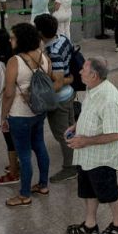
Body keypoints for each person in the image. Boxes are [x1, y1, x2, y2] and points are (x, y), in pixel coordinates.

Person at [66, 57, 118, 234]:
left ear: (94, 75)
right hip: (86, 157)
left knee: (109, 193)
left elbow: (116, 134)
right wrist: (76, 126)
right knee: (88, 191)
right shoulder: (92, 88)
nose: (79, 72)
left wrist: (85, 141)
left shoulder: (109, 98)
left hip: (102, 159)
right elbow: (88, 113)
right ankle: (90, 225)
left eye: (83, 69)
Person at [0, 23, 52, 207]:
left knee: (24, 154)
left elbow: (8, 93)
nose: (10, 40)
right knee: (39, 145)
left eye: (13, 37)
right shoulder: (44, 57)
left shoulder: (15, 61)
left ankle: (24, 194)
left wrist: (3, 116)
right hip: (39, 111)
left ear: (20, 39)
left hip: (19, 114)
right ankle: (43, 185)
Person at [34, 14, 78, 183]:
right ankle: (76, 159)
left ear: (40, 32)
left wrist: (38, 96)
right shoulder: (63, 39)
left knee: (63, 134)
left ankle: (70, 168)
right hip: (69, 93)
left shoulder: (53, 52)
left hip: (59, 98)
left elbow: (58, 83)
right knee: (71, 130)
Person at [0, 28, 19, 186]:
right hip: (16, 101)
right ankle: (15, 164)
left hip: (4, 103)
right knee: (13, 137)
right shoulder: (12, 57)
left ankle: (14, 172)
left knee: (9, 139)